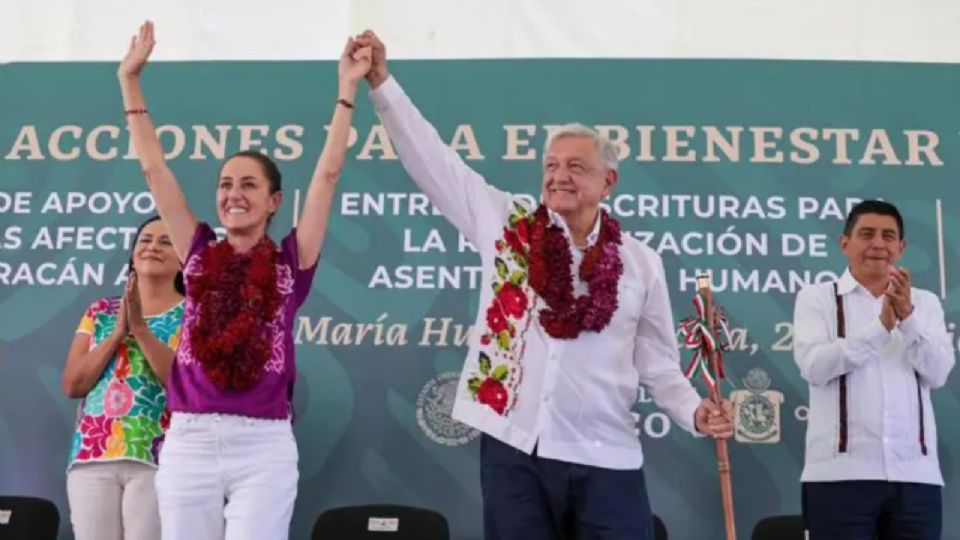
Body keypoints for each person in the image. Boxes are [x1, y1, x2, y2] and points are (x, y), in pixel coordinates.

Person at [355, 30, 734, 540]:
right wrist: (382, 82)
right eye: (551, 166)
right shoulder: (508, 224)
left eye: (576, 167)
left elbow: (658, 362)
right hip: (516, 453)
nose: (559, 176)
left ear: (608, 182)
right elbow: (432, 161)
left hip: (607, 457)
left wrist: (694, 410)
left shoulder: (641, 263)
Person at [117, 21, 371, 540]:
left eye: (249, 184)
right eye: (226, 184)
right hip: (189, 437)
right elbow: (154, 170)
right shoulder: (197, 249)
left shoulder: (290, 261)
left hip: (264, 444)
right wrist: (130, 82)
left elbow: (326, 175)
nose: (235, 193)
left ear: (274, 201)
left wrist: (347, 91)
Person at [794, 200, 955, 540]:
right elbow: (814, 367)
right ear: (845, 243)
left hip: (916, 477)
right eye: (867, 234)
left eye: (888, 236)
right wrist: (880, 328)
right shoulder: (818, 298)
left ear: (901, 247)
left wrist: (907, 318)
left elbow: (938, 373)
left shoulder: (924, 303)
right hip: (839, 477)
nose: (878, 244)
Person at [63, 215, 185, 540]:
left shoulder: (194, 315)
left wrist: (141, 331)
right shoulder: (99, 311)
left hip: (160, 455)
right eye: (145, 240)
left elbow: (185, 386)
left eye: (165, 241)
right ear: (132, 254)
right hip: (93, 453)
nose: (152, 247)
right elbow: (73, 384)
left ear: (183, 260)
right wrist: (117, 332)